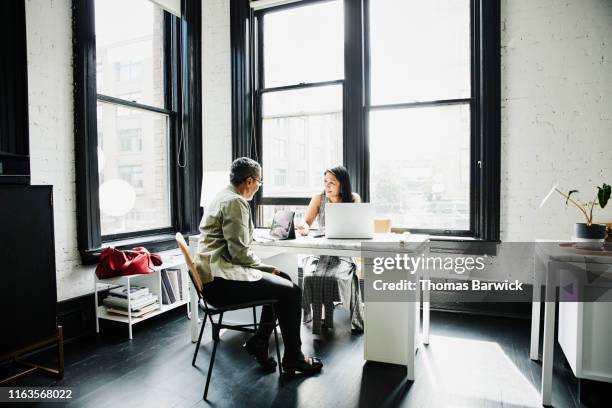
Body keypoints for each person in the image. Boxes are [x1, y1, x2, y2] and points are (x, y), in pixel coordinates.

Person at [194, 157, 322, 375]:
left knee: (284, 283)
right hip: (221, 283)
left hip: (212, 279)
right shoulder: (235, 202)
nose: (259, 187)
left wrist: (264, 269)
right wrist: (266, 268)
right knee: (292, 291)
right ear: (250, 181)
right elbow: (240, 253)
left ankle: (261, 342)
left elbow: (235, 248)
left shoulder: (221, 196)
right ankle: (293, 358)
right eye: (259, 182)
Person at [295, 166, 365, 334]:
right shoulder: (319, 198)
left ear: (343, 184)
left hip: (343, 253)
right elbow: (307, 222)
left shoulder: (353, 199)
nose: (327, 186)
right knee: (312, 276)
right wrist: (304, 228)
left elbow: (356, 225)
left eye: (332, 183)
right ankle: (321, 317)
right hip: (321, 251)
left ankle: (335, 315)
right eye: (325, 182)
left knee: (335, 277)